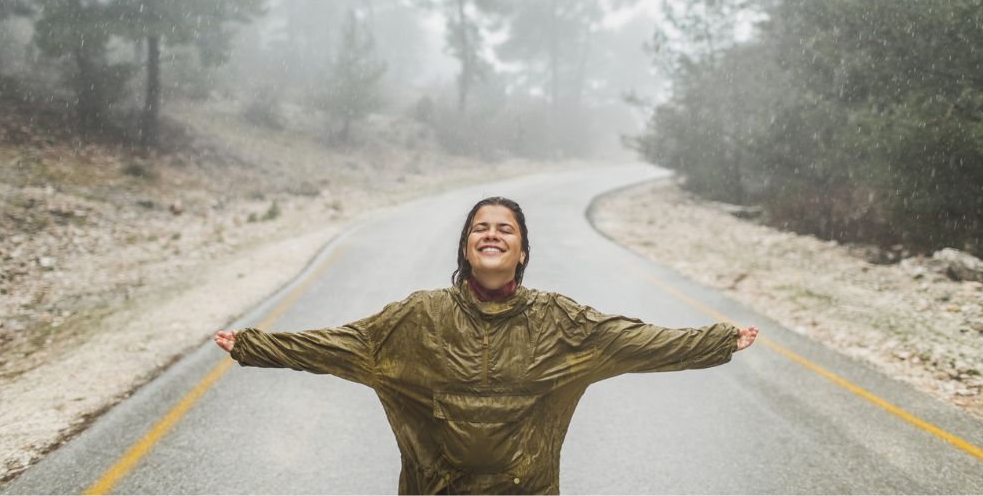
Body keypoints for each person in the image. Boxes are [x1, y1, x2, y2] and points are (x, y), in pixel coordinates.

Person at [215, 196, 758, 495]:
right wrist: (253, 346)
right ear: (466, 248)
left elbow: (637, 341)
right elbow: (339, 345)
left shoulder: (561, 323)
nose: (492, 234)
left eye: (505, 229)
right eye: (480, 228)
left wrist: (718, 341)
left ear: (522, 252)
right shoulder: (417, 318)